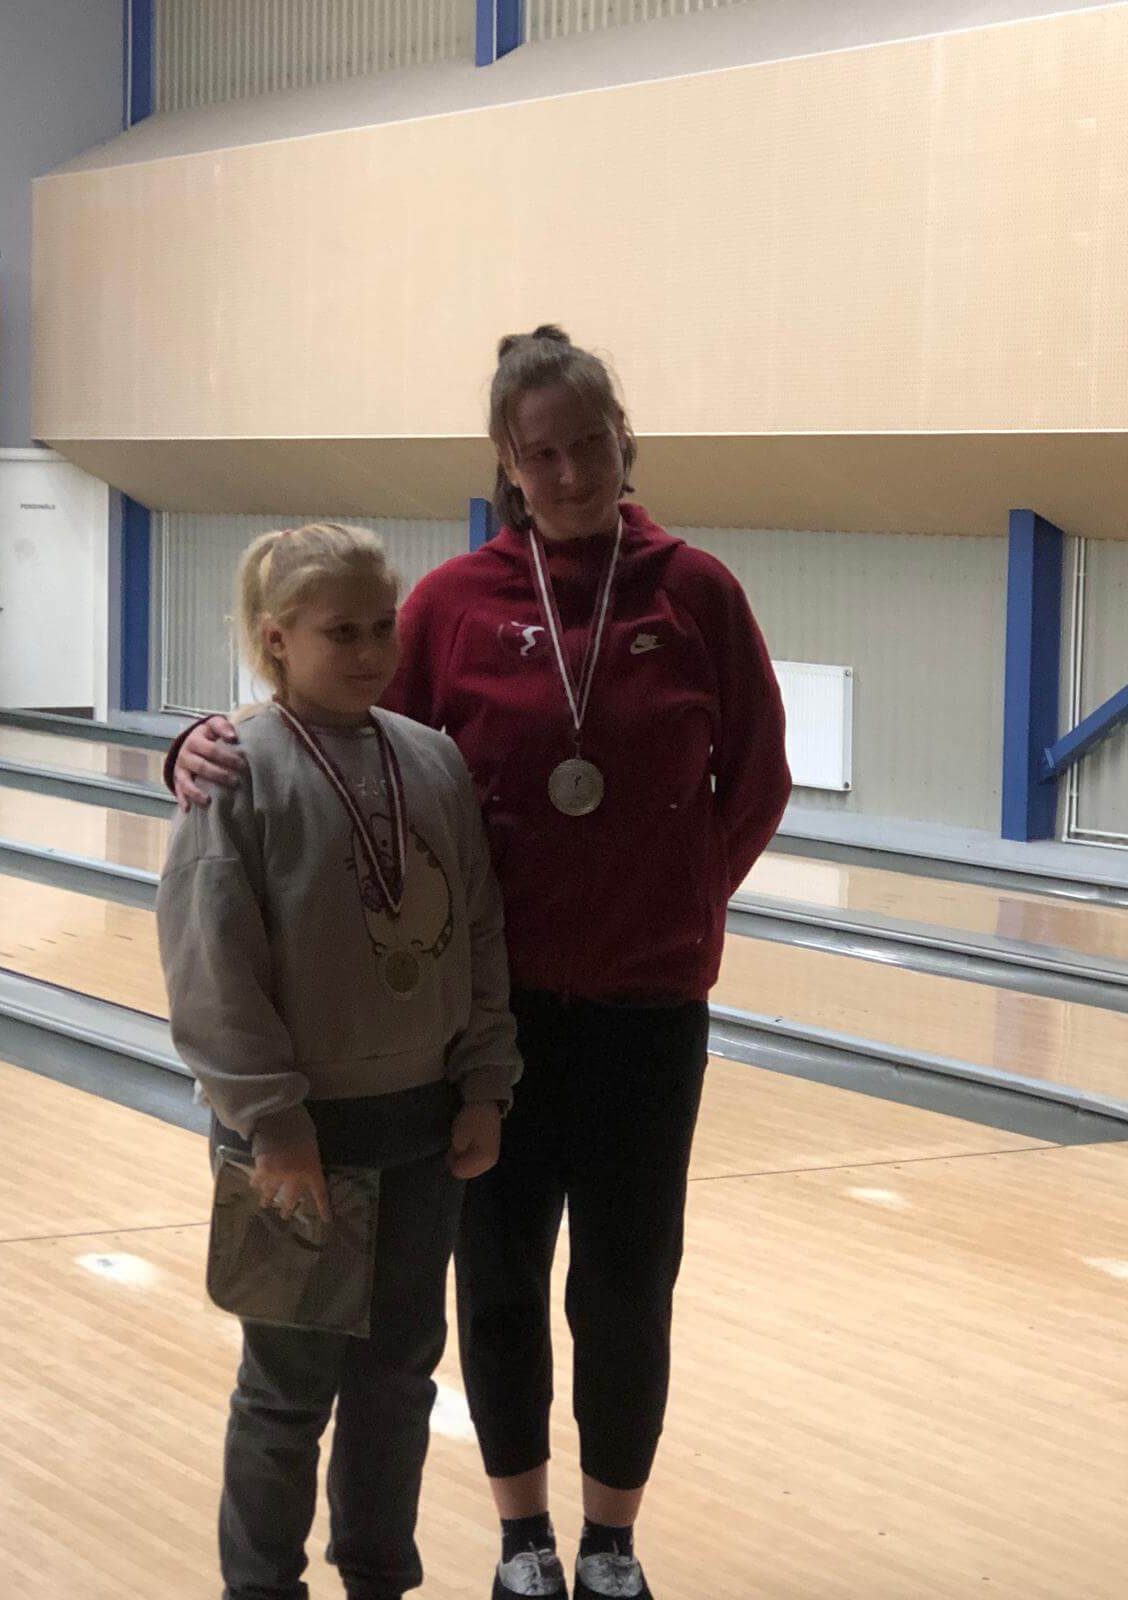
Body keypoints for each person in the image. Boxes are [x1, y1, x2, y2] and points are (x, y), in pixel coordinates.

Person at [168, 329, 791, 1600]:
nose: (568, 471)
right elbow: (341, 743)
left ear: (624, 437)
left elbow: (759, 777)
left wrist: (678, 904)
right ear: (507, 462)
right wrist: (196, 744)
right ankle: (522, 1540)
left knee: (622, 1287)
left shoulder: (698, 592)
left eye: (588, 443)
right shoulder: (453, 603)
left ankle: (608, 1543)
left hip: (640, 1011)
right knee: (480, 1290)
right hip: (478, 1030)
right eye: (539, 452)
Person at [156, 522, 521, 1600]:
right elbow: (211, 966)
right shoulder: (236, 772)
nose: (369, 651)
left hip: (420, 1120)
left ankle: (378, 1577)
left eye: (381, 627)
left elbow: (480, 929)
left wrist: (485, 1081)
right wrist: (272, 1124)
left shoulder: (432, 758)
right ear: (276, 638)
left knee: (397, 1381)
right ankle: (261, 1587)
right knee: (287, 1391)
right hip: (294, 1135)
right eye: (339, 632)